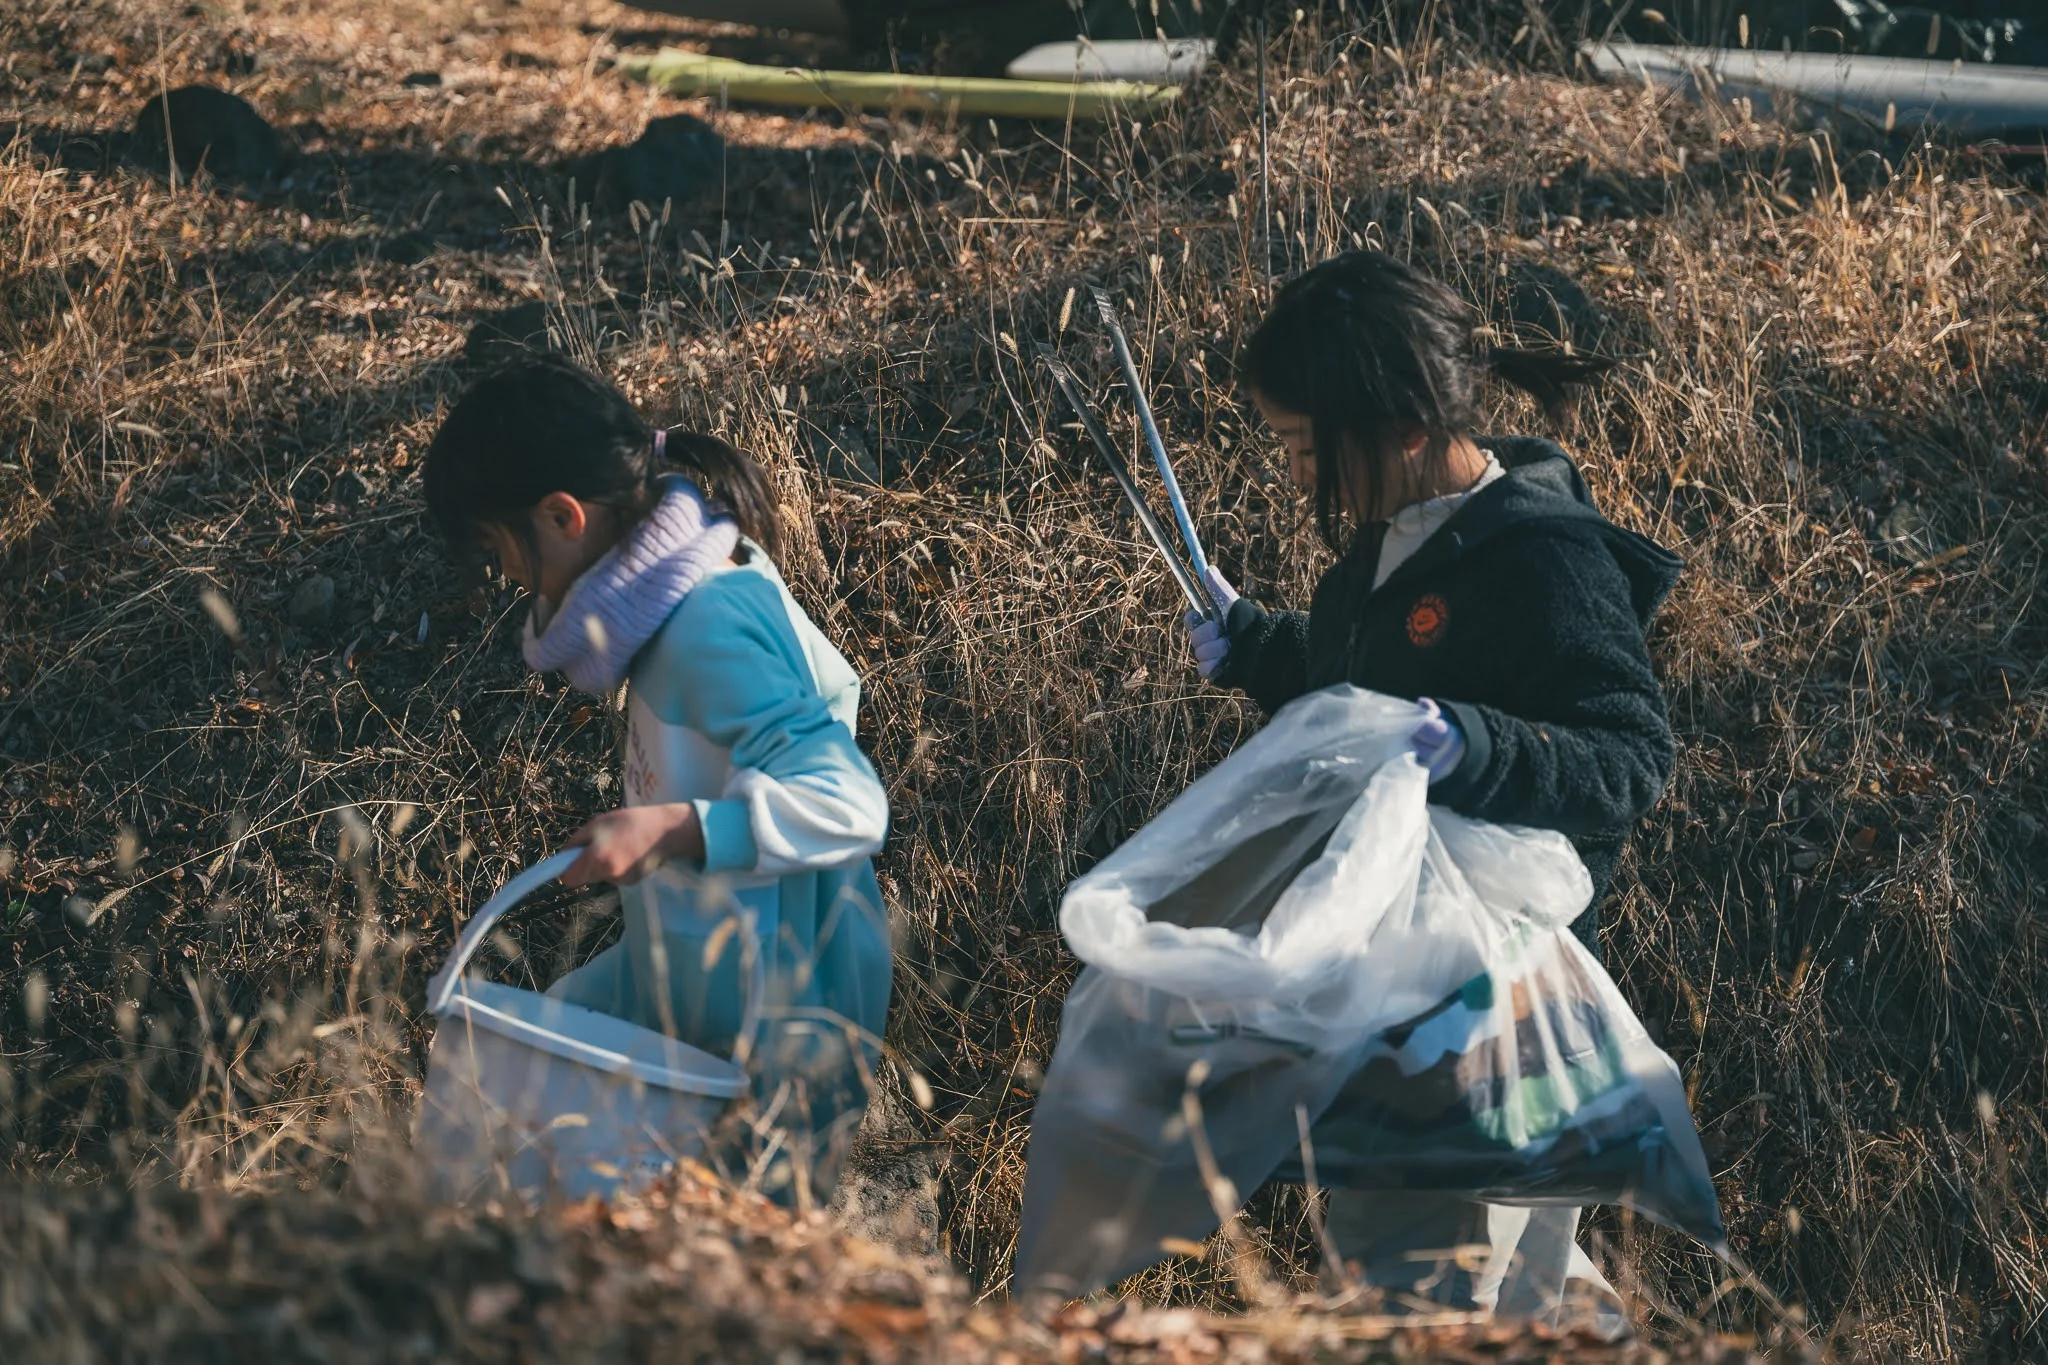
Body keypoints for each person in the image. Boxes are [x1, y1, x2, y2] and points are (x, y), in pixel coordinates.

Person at [1185, 250, 1682, 1334]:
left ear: (1402, 427)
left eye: (1305, 449)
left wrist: (1477, 744)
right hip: (1400, 991)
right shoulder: (1376, 556)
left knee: (1414, 1302)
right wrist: (1259, 647)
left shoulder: (1538, 560)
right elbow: (1358, 706)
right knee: (1525, 1299)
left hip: (1487, 1006)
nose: (1292, 475)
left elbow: (1630, 755)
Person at [423, 355, 891, 1205]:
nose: (506, 580)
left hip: (777, 1037)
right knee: (551, 1060)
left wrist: (676, 828)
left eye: (500, 552)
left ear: (563, 516)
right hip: (683, 977)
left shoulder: (708, 621)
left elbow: (850, 803)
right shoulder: (668, 612)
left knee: (727, 1275)